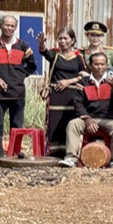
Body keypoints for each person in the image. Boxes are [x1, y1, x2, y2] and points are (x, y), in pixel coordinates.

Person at [60, 52, 113, 168]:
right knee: (73, 124)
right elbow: (78, 103)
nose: (100, 67)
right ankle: (71, 158)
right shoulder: (83, 83)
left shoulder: (111, 81)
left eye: (102, 64)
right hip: (89, 118)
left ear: (107, 65)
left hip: (109, 119)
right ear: (90, 66)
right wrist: (87, 119)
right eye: (96, 64)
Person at [0, 15, 38, 159]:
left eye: (12, 26)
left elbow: (33, 65)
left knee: (16, 126)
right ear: (0, 26)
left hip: (18, 92)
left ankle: (15, 154)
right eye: (7, 25)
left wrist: (21, 75)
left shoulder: (23, 46)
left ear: (15, 27)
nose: (9, 28)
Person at [37, 28, 86, 156]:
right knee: (54, 122)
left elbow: (84, 75)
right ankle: (53, 153)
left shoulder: (79, 57)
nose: (62, 41)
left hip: (72, 96)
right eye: (60, 38)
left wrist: (69, 81)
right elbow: (44, 52)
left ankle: (70, 151)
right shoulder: (55, 54)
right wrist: (41, 44)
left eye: (66, 38)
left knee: (69, 121)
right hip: (56, 95)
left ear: (73, 40)